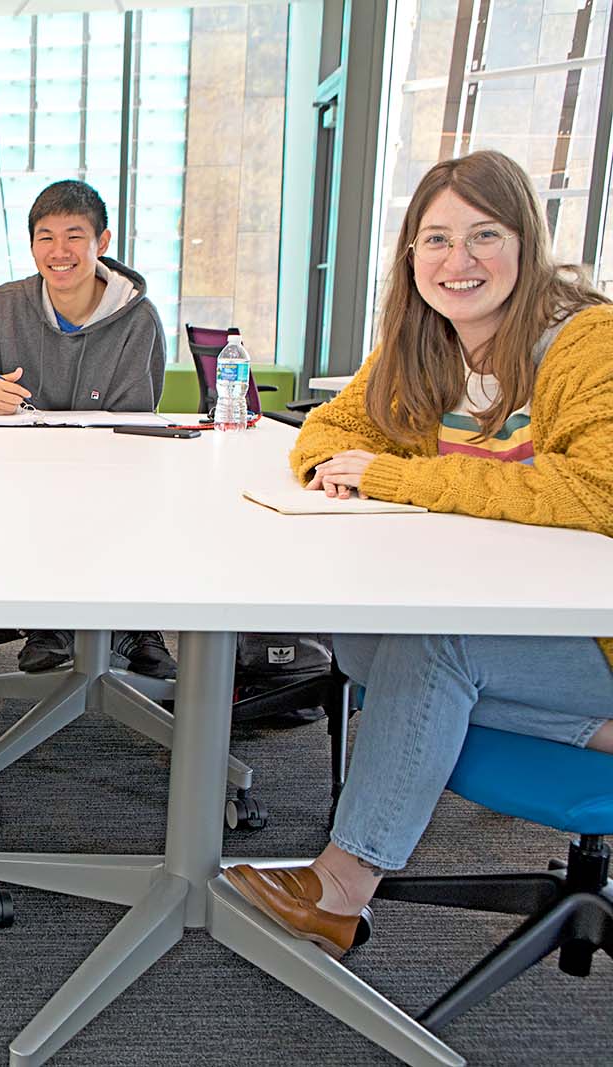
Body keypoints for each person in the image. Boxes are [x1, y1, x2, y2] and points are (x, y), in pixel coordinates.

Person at [226, 150, 613, 958]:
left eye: (484, 235)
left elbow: (594, 495)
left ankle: (341, 887)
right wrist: (338, 468)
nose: (458, 261)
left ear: (526, 244)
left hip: (593, 629)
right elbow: (332, 431)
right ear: (411, 255)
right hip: (510, 609)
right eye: (436, 239)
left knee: (430, 642)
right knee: (362, 641)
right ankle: (594, 728)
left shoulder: (586, 345)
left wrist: (408, 479)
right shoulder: (424, 343)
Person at [0, 179, 175, 679]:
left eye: (74, 236)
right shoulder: (3, 307)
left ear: (102, 243)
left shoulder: (138, 320)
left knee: (126, 505)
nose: (59, 252)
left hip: (107, 482)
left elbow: (136, 423)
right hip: (17, 482)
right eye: (45, 237)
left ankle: (133, 624)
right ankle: (48, 623)